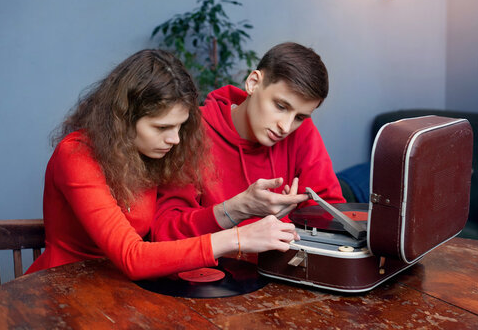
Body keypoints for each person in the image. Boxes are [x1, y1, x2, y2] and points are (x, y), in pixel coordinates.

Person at [25, 49, 299, 280]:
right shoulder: (75, 154)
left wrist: (238, 208)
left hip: (119, 291)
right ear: (122, 118)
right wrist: (237, 238)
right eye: (161, 127)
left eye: (180, 126)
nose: (175, 139)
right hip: (62, 288)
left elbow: (163, 236)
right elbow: (132, 256)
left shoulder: (151, 154)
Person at [152, 42, 345, 242]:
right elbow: (165, 232)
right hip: (216, 271)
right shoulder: (191, 130)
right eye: (280, 106)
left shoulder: (302, 131)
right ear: (253, 83)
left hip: (281, 268)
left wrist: (298, 218)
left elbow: (330, 212)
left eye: (299, 117)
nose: (286, 127)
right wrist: (237, 210)